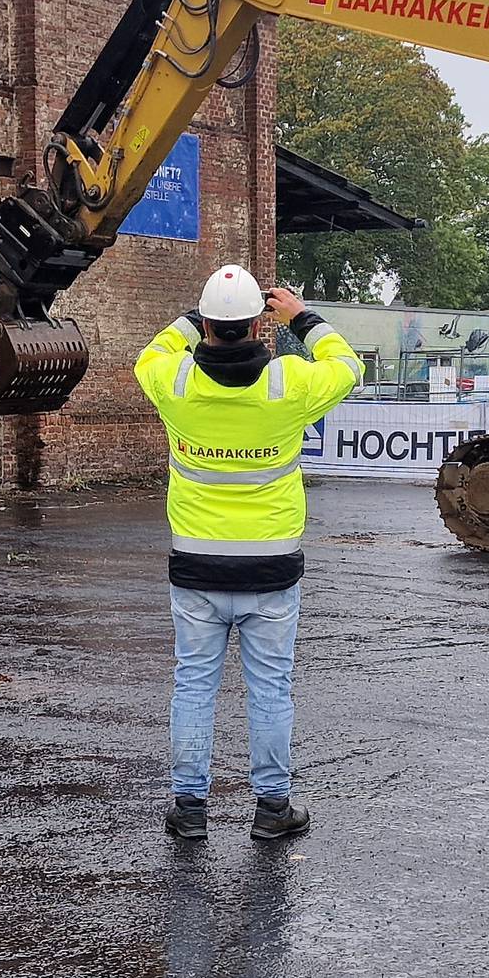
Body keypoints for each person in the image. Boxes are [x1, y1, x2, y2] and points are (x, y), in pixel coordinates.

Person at [134, 266, 361, 841]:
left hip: (196, 571)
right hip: (272, 572)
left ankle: (189, 809)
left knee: (193, 685)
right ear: (258, 326)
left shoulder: (176, 385)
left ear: (207, 323)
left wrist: (193, 318)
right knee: (270, 689)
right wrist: (302, 317)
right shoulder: (288, 385)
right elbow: (348, 365)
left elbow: (152, 352)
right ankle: (271, 808)